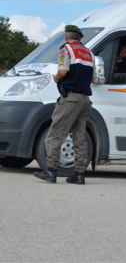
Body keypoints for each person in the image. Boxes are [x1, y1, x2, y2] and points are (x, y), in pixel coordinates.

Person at [33, 25, 95, 185]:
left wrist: (55, 78)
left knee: (55, 134)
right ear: (81, 38)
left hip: (70, 99)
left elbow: (63, 72)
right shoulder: (89, 54)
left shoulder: (66, 49)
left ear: (67, 37)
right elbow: (93, 79)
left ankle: (51, 171)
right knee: (80, 138)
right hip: (85, 100)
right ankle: (79, 174)